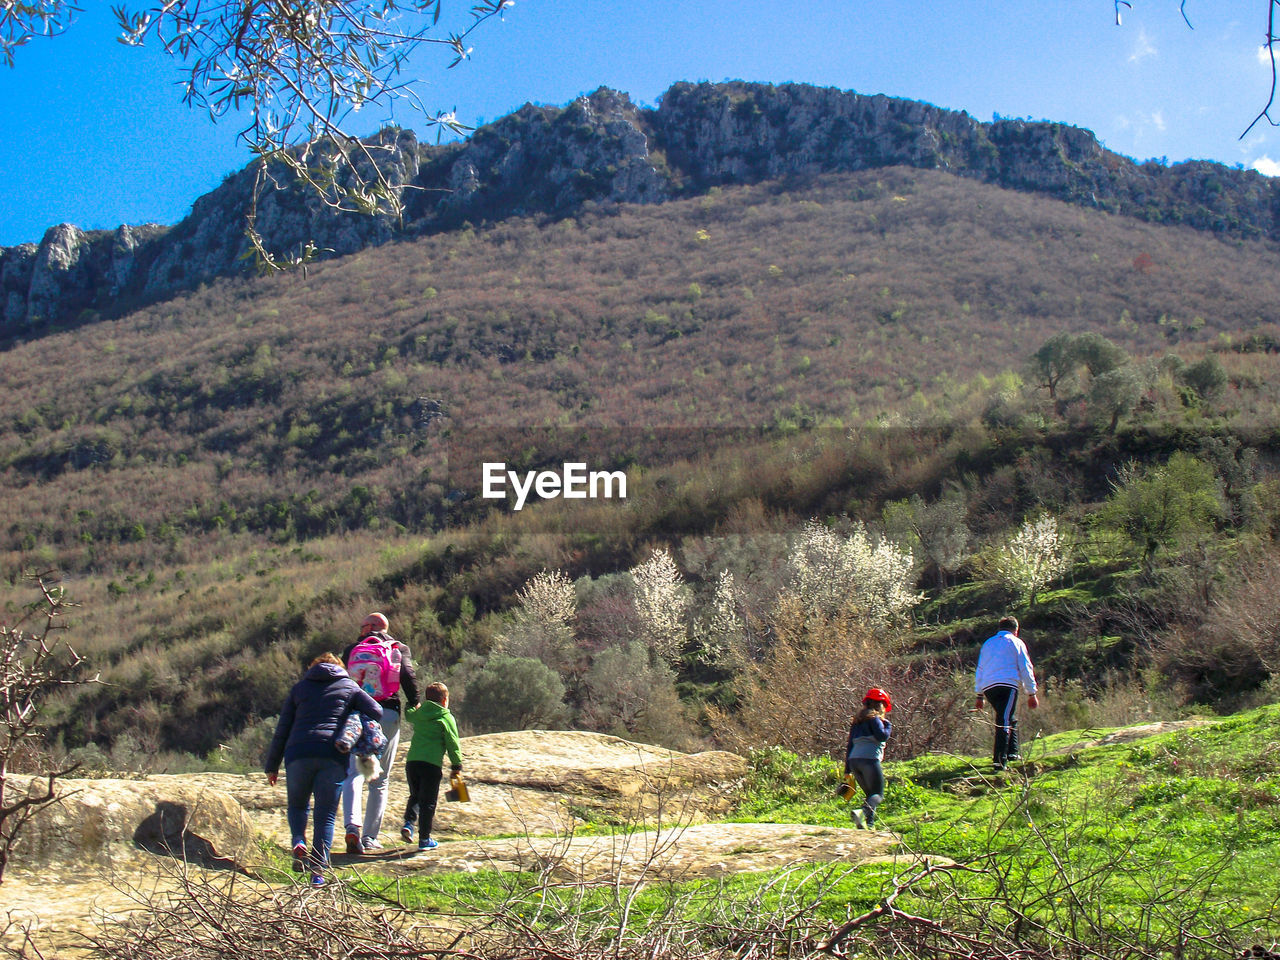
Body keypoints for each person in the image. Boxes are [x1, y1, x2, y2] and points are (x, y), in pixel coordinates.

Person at [264, 653, 382, 886]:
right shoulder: (349, 686)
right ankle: (318, 871)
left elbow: (283, 728)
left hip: (298, 753)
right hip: (332, 754)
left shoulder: (299, 688)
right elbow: (377, 711)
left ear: (313, 667)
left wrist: (272, 766)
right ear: (339, 667)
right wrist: (353, 717)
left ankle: (298, 841)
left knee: (298, 805)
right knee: (325, 815)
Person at [341, 611, 420, 854]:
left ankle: (352, 826)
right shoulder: (397, 648)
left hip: (356, 713)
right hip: (387, 711)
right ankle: (370, 838)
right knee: (380, 778)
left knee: (354, 773)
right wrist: (414, 701)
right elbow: (407, 674)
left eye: (363, 625)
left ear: (371, 626)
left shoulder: (352, 649)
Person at [400, 681, 463, 851]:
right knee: (428, 802)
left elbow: (409, 715)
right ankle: (424, 839)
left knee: (415, 796)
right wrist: (456, 764)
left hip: (412, 762)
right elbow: (452, 742)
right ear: (444, 700)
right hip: (431, 765)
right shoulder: (445, 717)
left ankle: (408, 823)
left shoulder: (419, 713)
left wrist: (411, 703)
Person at [974, 615, 1039, 771]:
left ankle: (1012, 753)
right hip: (1007, 684)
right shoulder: (1016, 642)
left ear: (999, 628)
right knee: (1003, 720)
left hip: (989, 687)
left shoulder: (988, 644)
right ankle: (999, 760)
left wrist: (979, 695)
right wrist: (1031, 693)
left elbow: (980, 668)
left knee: (1008, 716)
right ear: (1016, 630)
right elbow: (1025, 667)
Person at [842, 687, 892, 830]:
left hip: (854, 761)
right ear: (880, 705)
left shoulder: (857, 722)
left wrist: (847, 771)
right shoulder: (874, 718)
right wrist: (888, 726)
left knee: (870, 795)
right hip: (869, 759)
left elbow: (850, 745)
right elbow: (882, 736)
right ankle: (862, 813)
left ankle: (869, 824)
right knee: (878, 794)